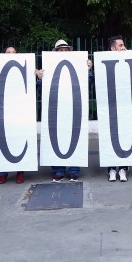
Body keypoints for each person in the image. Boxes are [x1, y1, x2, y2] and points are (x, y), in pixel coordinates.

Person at [48, 39, 84, 182]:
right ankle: (58, 170)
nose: (63, 52)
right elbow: (39, 87)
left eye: (65, 50)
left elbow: (89, 81)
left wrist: (88, 69)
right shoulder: (48, 66)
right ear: (55, 52)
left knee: (75, 135)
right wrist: (39, 77)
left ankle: (74, 170)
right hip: (55, 106)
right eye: (60, 50)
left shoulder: (79, 65)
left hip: (73, 105)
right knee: (55, 136)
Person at [0, 46, 25, 185]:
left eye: (14, 52)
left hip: (18, 109)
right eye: (8, 52)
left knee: (18, 138)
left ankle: (20, 171)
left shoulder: (23, 67)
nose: (11, 54)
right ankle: (3, 172)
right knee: (2, 138)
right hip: (2, 110)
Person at [105, 35, 131, 182]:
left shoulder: (129, 61)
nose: (123, 48)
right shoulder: (104, 62)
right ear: (113, 48)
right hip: (110, 104)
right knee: (110, 135)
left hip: (125, 105)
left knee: (125, 134)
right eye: (121, 46)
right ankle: (111, 169)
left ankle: (123, 168)